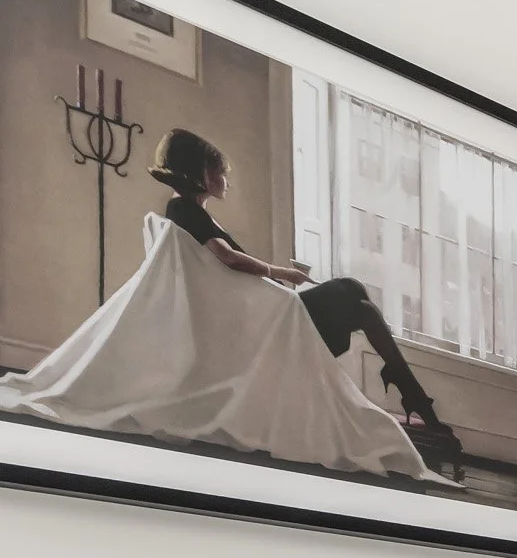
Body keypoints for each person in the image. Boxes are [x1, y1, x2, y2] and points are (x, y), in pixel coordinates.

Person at [148, 128, 461, 457]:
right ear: (200, 173)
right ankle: (414, 395)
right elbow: (227, 258)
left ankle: (411, 392)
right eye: (219, 172)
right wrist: (284, 274)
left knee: (359, 302)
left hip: (264, 316)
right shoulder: (184, 210)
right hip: (263, 327)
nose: (226, 180)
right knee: (349, 290)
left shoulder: (186, 211)